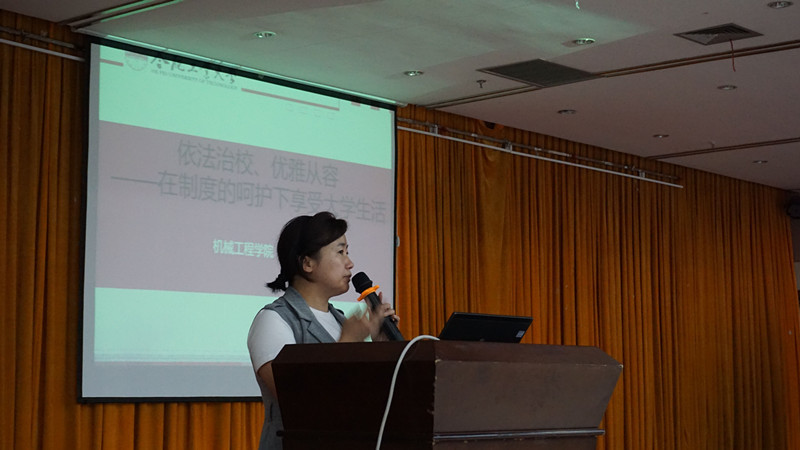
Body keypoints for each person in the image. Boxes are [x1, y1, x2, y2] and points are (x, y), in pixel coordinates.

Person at [247, 211, 397, 450]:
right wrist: (348, 343)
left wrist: (380, 347)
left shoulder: (340, 320)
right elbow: (298, 401)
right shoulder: (274, 320)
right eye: (340, 252)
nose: (350, 263)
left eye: (347, 252)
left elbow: (366, 398)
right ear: (307, 263)